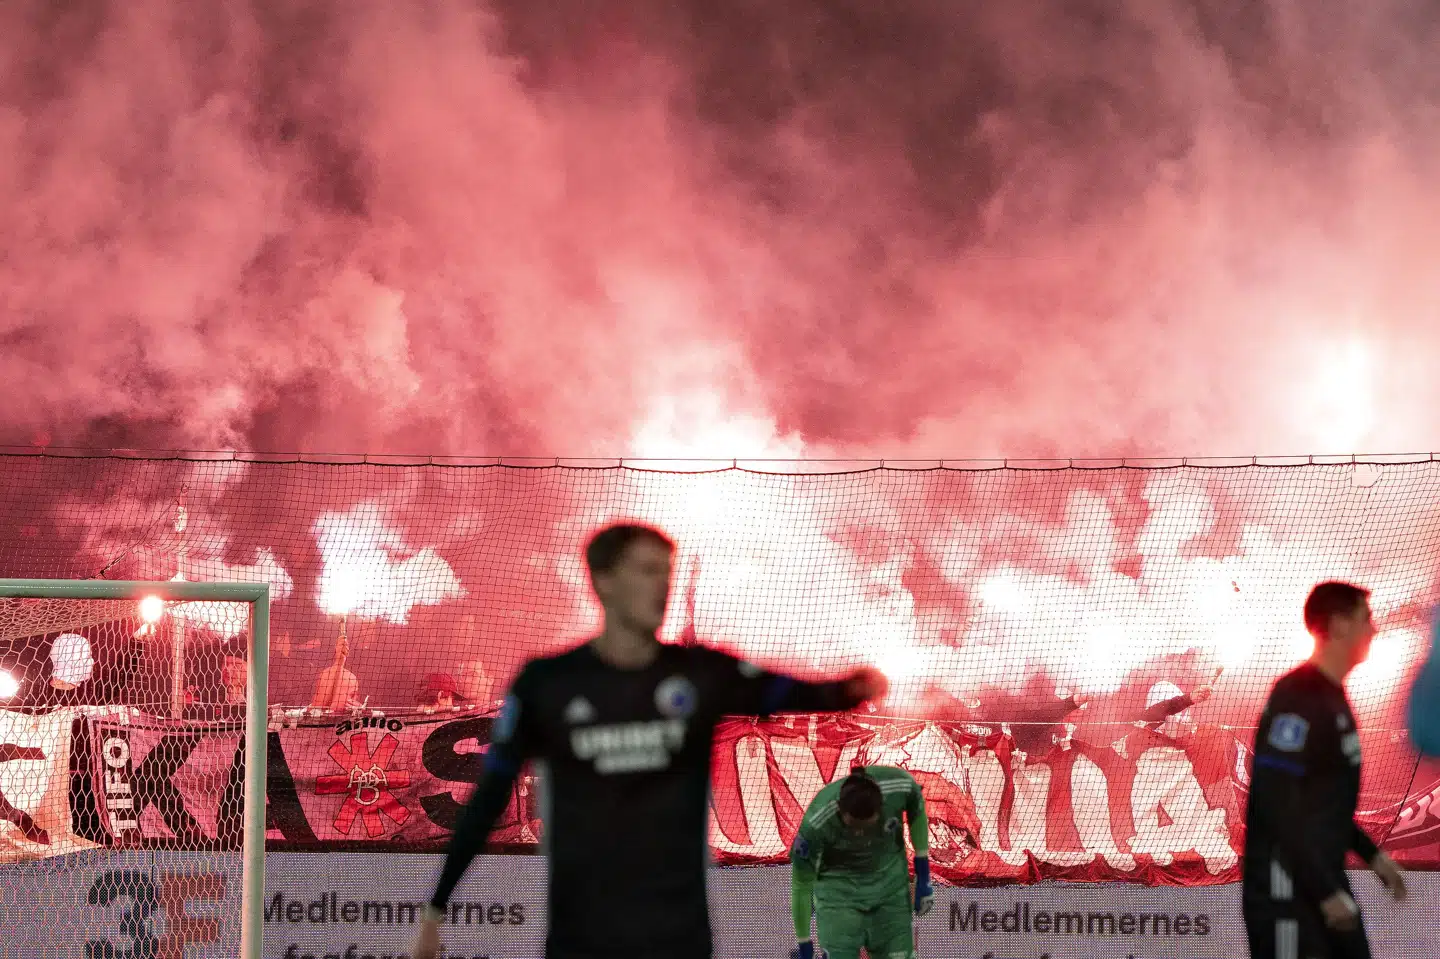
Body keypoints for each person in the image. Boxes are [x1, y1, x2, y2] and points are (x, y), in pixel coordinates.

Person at [412, 523, 887, 959]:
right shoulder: (548, 683)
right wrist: (436, 905)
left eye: (665, 572)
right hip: (583, 935)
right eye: (645, 570)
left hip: (676, 935)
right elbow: (488, 798)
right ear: (603, 581)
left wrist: (850, 690)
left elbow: (792, 692)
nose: (661, 585)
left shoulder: (700, 673)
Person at [1243, 581, 1406, 959]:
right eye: (1366, 619)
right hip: (1287, 894)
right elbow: (1277, 802)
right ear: (1338, 626)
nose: (1375, 629)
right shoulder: (1296, 697)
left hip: (1320, 885)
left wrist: (1372, 855)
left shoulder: (1335, 697)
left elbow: (1319, 804)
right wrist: (1324, 890)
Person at [789, 765, 931, 959]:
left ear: (881, 806)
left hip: (890, 894)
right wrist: (804, 943)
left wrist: (923, 873)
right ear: (840, 809)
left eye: (866, 826)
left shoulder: (899, 785)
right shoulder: (815, 823)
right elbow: (801, 884)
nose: (859, 833)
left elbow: (917, 808)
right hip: (839, 901)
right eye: (853, 826)